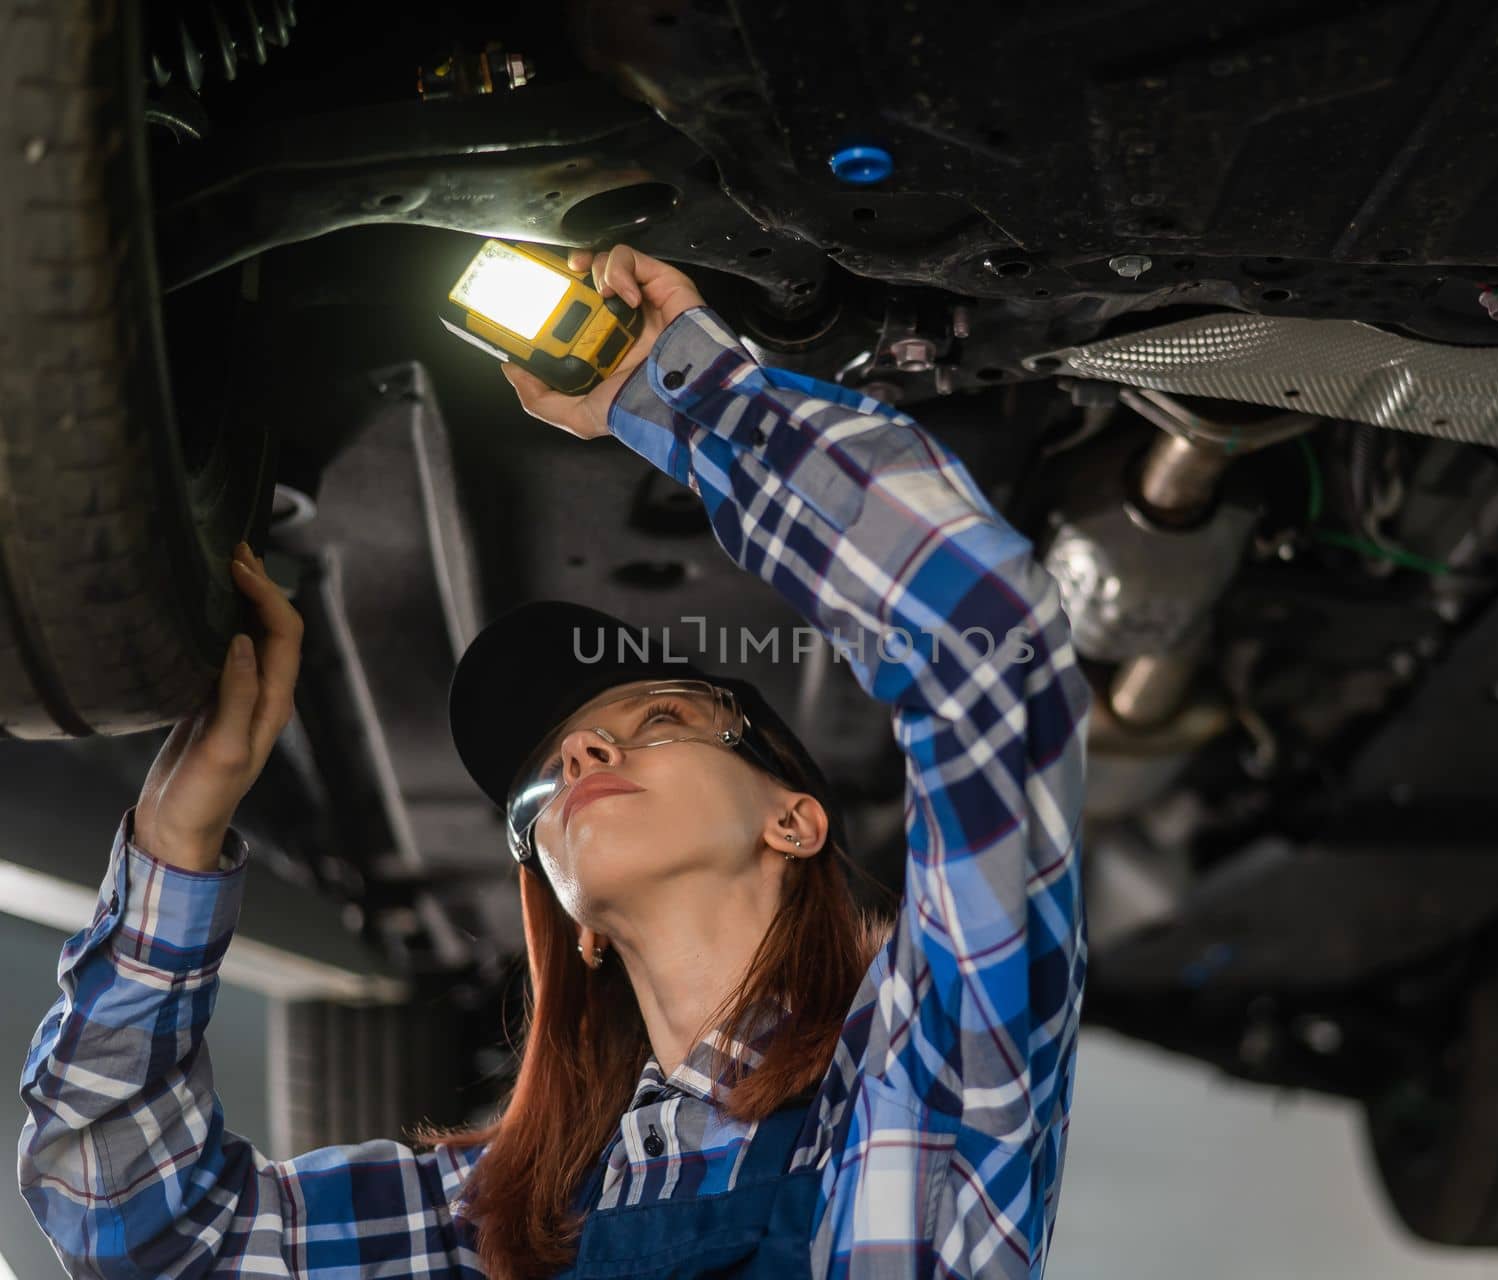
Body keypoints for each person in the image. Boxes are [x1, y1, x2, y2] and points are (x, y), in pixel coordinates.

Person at [18, 245, 1090, 1278]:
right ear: (571, 917)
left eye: (662, 714)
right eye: (550, 774)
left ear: (793, 819)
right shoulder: (506, 1220)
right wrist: (175, 841)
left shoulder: (923, 1077)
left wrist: (680, 396)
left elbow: (988, 648)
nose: (580, 746)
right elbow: (141, 1230)